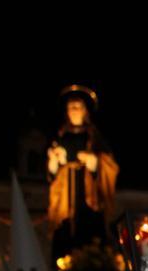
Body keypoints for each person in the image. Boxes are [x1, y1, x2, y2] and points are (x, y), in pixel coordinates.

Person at [47, 85, 119, 260]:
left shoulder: (94, 136)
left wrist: (93, 161)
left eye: (78, 107)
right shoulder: (60, 136)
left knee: (90, 231)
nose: (74, 110)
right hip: (65, 194)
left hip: (88, 196)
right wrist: (55, 161)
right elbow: (51, 174)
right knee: (64, 232)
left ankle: (90, 259)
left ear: (85, 110)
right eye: (71, 107)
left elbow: (109, 164)